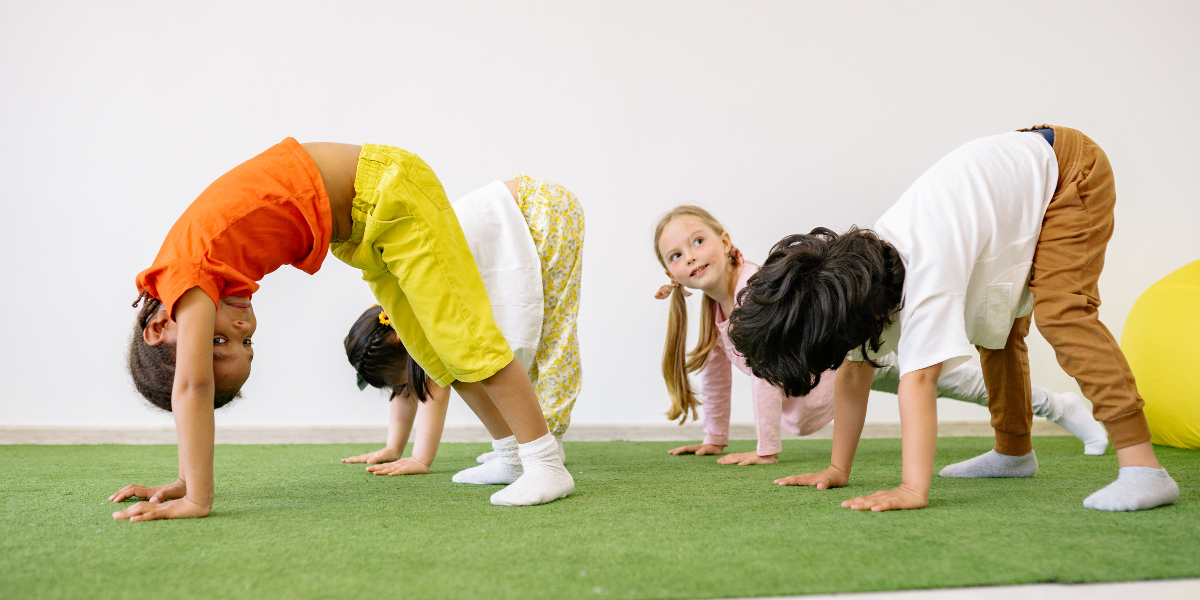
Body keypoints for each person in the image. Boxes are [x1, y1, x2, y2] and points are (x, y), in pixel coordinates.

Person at [112, 141, 571, 521]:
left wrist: (197, 497)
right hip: (365, 228)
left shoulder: (187, 278)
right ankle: (511, 454)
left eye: (215, 342)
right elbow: (194, 383)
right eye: (246, 342)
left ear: (159, 327)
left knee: (465, 337)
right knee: (434, 350)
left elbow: (192, 387)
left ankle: (544, 461)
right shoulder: (190, 278)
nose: (241, 326)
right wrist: (184, 480)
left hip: (388, 191)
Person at [729, 126, 1178, 512]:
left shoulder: (924, 273)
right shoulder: (847, 287)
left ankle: (1143, 467)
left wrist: (912, 488)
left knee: (1063, 313)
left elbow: (919, 382)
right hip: (1016, 183)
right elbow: (853, 371)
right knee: (996, 331)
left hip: (1067, 172)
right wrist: (837, 468)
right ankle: (1014, 452)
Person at [654, 206, 1105, 467]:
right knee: (958, 384)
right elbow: (716, 377)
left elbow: (764, 380)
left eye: (697, 241)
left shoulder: (755, 291)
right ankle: (1052, 405)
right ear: (671, 275)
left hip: (855, 351)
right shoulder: (713, 310)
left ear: (725, 240)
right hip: (840, 370)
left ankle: (1057, 405)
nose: (690, 257)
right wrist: (715, 437)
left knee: (958, 382)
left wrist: (767, 450)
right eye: (675, 255)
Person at [342, 176, 583, 477]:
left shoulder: (421, 306)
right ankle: (526, 443)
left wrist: (420, 459)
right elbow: (411, 387)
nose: (412, 387)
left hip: (543, 211)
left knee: (552, 331)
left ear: (401, 343)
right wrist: (393, 447)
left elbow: (436, 384)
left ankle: (549, 441)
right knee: (531, 332)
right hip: (524, 212)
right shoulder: (396, 311)